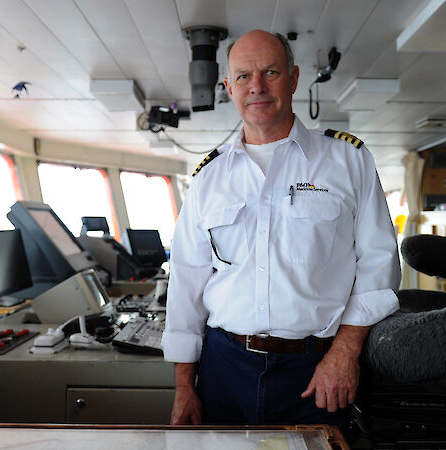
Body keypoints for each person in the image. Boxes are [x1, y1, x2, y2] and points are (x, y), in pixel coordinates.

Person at [161, 30, 401, 426]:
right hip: (223, 368)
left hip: (317, 369)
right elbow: (187, 281)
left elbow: (379, 267)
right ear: (228, 87)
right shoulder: (209, 177)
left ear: (293, 78)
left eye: (270, 72)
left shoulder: (348, 160)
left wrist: (344, 353)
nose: (256, 86)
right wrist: (184, 385)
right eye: (243, 76)